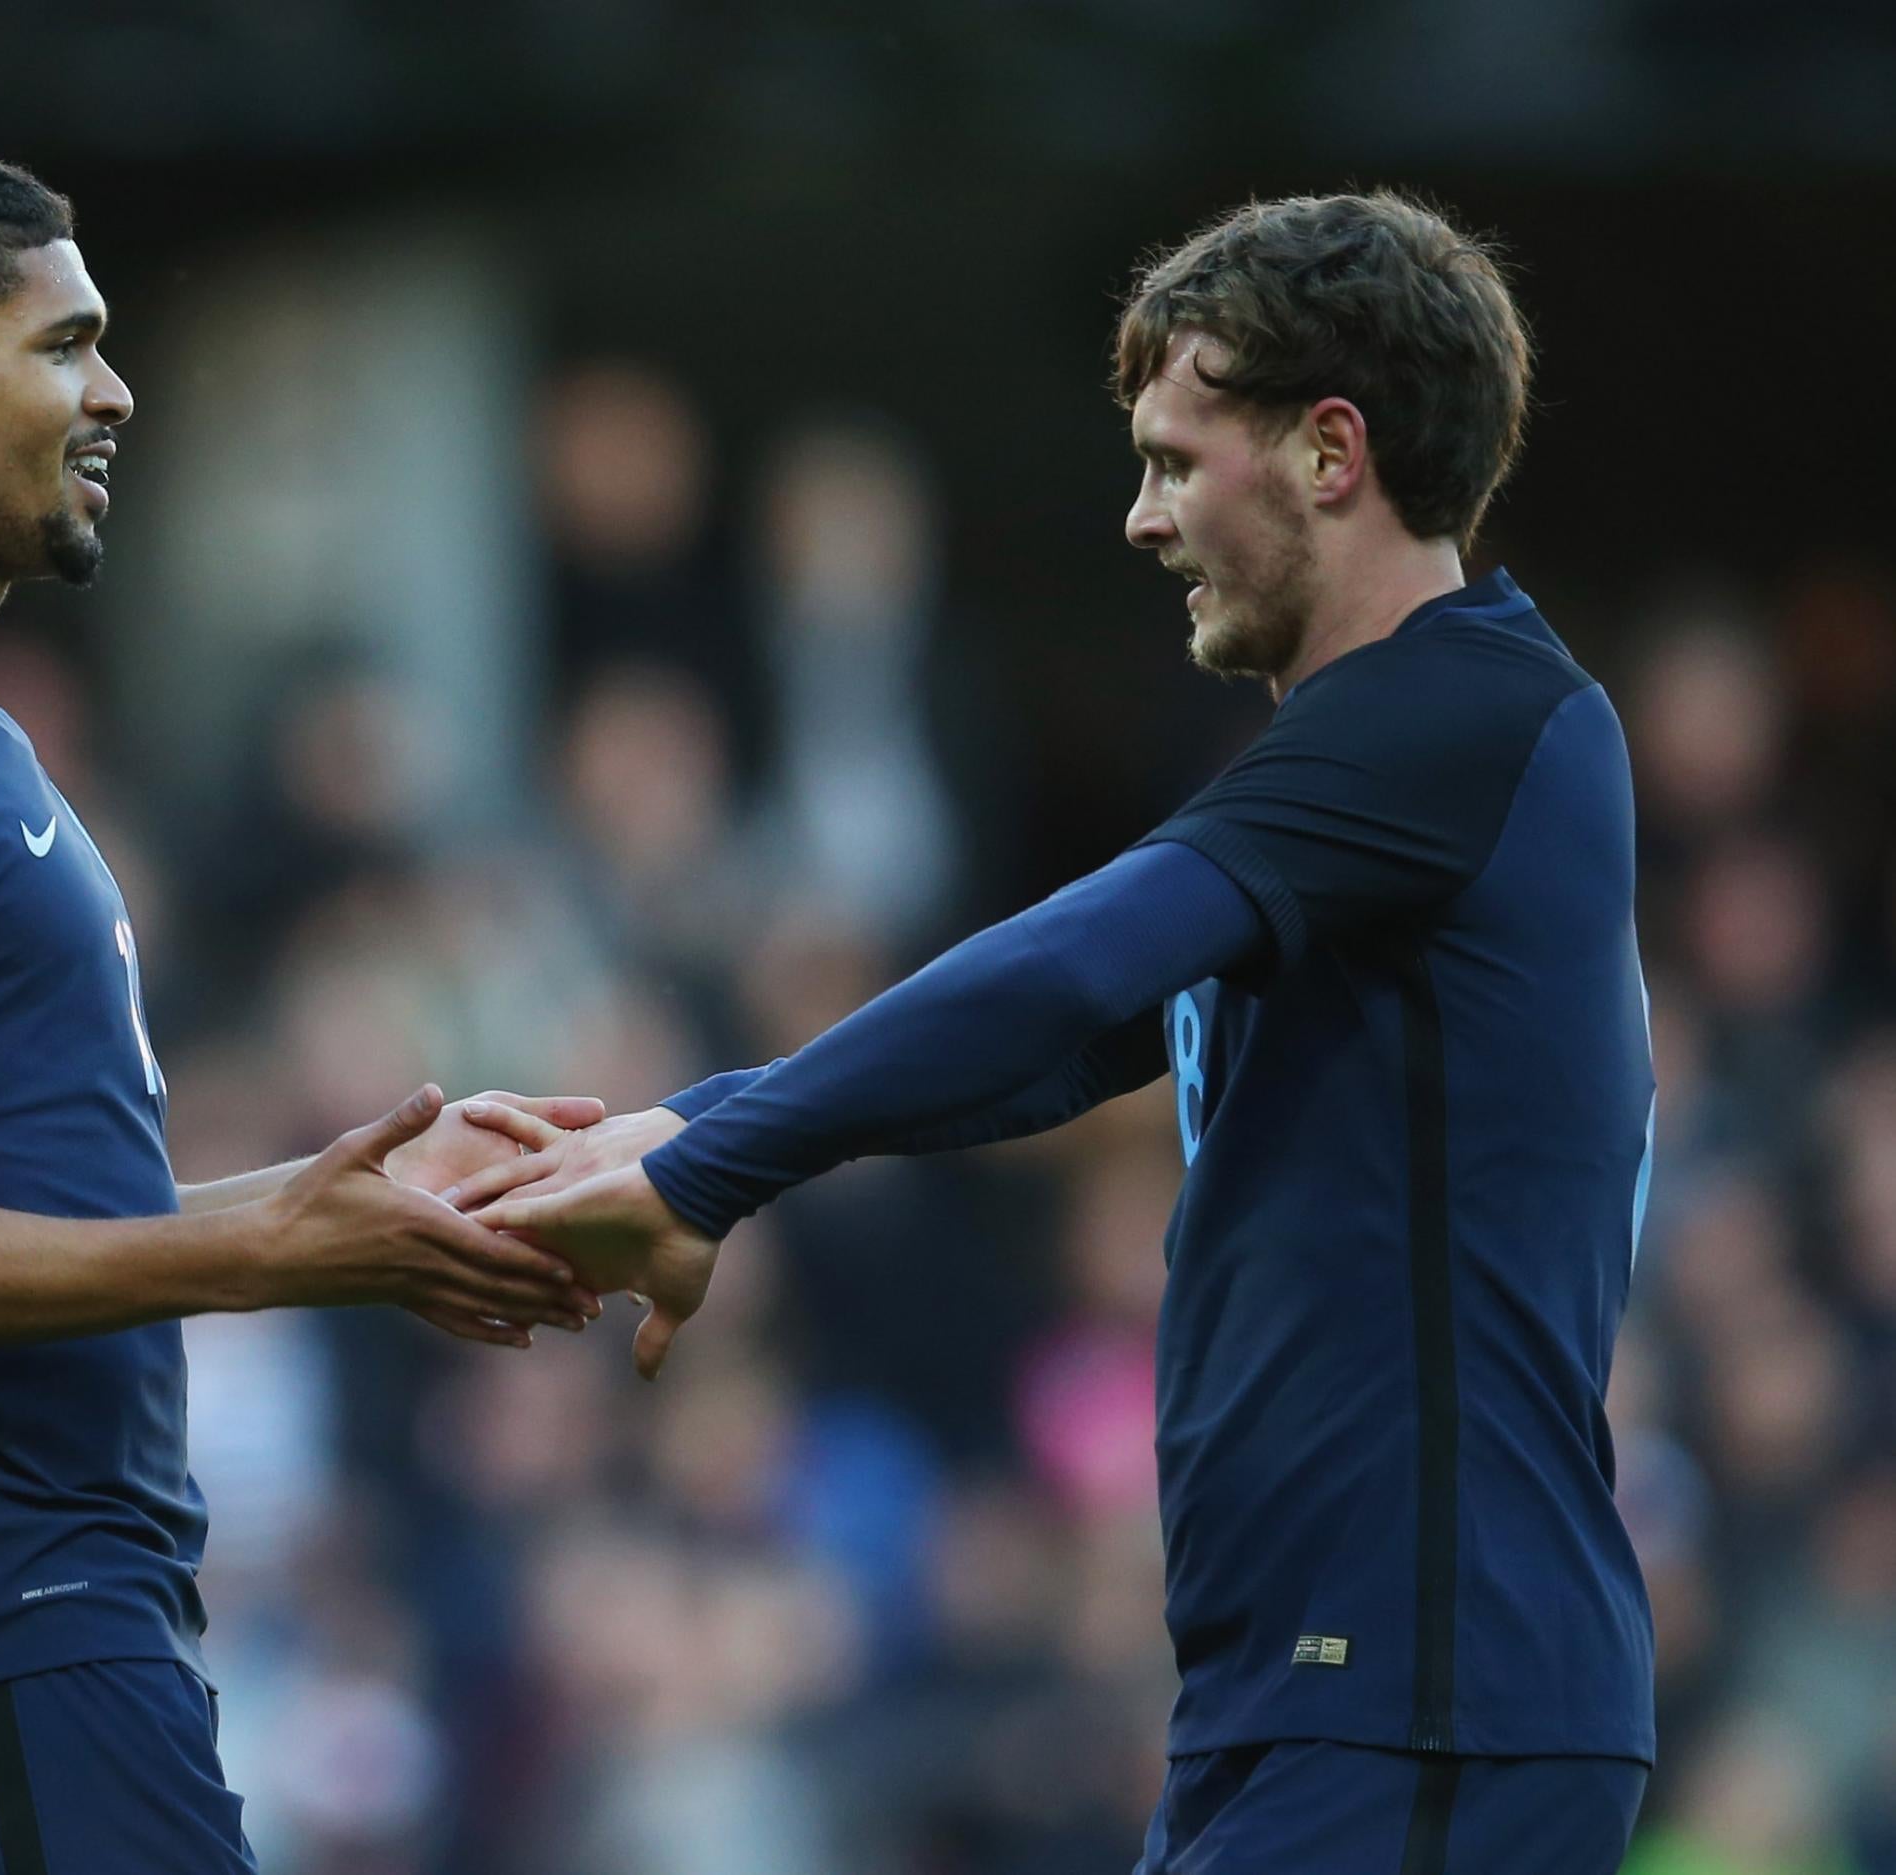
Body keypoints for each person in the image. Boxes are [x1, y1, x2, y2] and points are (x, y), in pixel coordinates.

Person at [455, 192, 1658, 1873]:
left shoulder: (1455, 718)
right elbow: (1040, 1047)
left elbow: (1071, 966)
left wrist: (717, 1162)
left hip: (1425, 1688)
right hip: (1319, 1693)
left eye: (1177, 459)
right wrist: (693, 1127)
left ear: (1330, 451)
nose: (1140, 520)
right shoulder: (1387, 784)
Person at [0, 140, 600, 1875]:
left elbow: (30, 1221)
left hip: (35, 1618)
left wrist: (333, 1203)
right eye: (66, 342)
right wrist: (259, 1256)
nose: (117, 386)